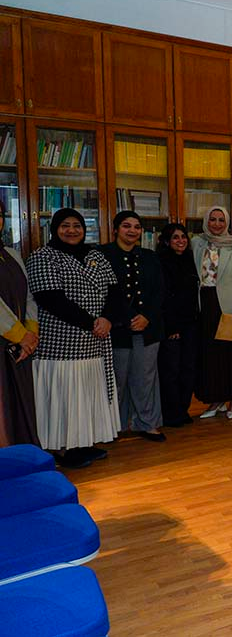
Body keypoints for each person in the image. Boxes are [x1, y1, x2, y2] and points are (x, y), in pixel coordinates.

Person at [27, 208, 121, 468]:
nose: (71, 230)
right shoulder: (42, 256)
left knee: (85, 397)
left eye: (77, 225)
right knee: (64, 399)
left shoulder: (96, 256)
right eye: (65, 225)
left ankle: (82, 443)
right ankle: (61, 448)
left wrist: (107, 318)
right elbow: (50, 298)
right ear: (54, 229)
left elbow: (114, 292)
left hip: (95, 343)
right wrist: (92, 323)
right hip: (59, 345)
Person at [99, 211, 166, 442]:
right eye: (126, 226)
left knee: (145, 378)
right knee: (116, 379)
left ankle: (147, 423)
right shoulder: (101, 255)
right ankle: (114, 426)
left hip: (148, 328)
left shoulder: (150, 256)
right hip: (116, 328)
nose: (132, 230)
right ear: (115, 229)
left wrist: (146, 316)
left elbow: (160, 291)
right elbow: (105, 292)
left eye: (137, 227)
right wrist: (128, 317)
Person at [191, 206, 232, 419]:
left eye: (221, 220)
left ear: (227, 222)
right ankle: (216, 400)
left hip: (230, 306)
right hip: (205, 304)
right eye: (213, 219)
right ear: (206, 221)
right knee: (211, 356)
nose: (217, 224)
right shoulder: (197, 242)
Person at [0, 198, 40, 447]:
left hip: (19, 348)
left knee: (20, 405)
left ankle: (23, 460)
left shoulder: (12, 254)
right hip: (10, 342)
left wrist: (31, 333)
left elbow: (29, 296)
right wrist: (20, 335)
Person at [156, 223, 199, 427]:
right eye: (175, 237)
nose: (180, 241)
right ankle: (171, 413)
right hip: (171, 326)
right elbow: (163, 297)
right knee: (171, 371)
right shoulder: (161, 262)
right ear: (166, 241)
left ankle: (183, 409)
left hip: (191, 324)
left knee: (188, 369)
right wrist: (171, 327)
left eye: (183, 237)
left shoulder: (191, 260)